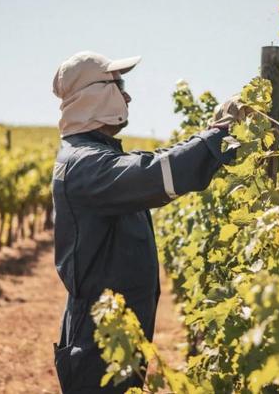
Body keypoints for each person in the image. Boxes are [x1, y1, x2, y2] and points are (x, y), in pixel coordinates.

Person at [50, 51, 246, 393]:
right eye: (118, 84)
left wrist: (214, 137)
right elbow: (155, 174)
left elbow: (152, 164)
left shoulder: (94, 157)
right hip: (98, 343)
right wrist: (220, 135)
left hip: (111, 334)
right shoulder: (83, 165)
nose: (127, 95)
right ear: (94, 94)